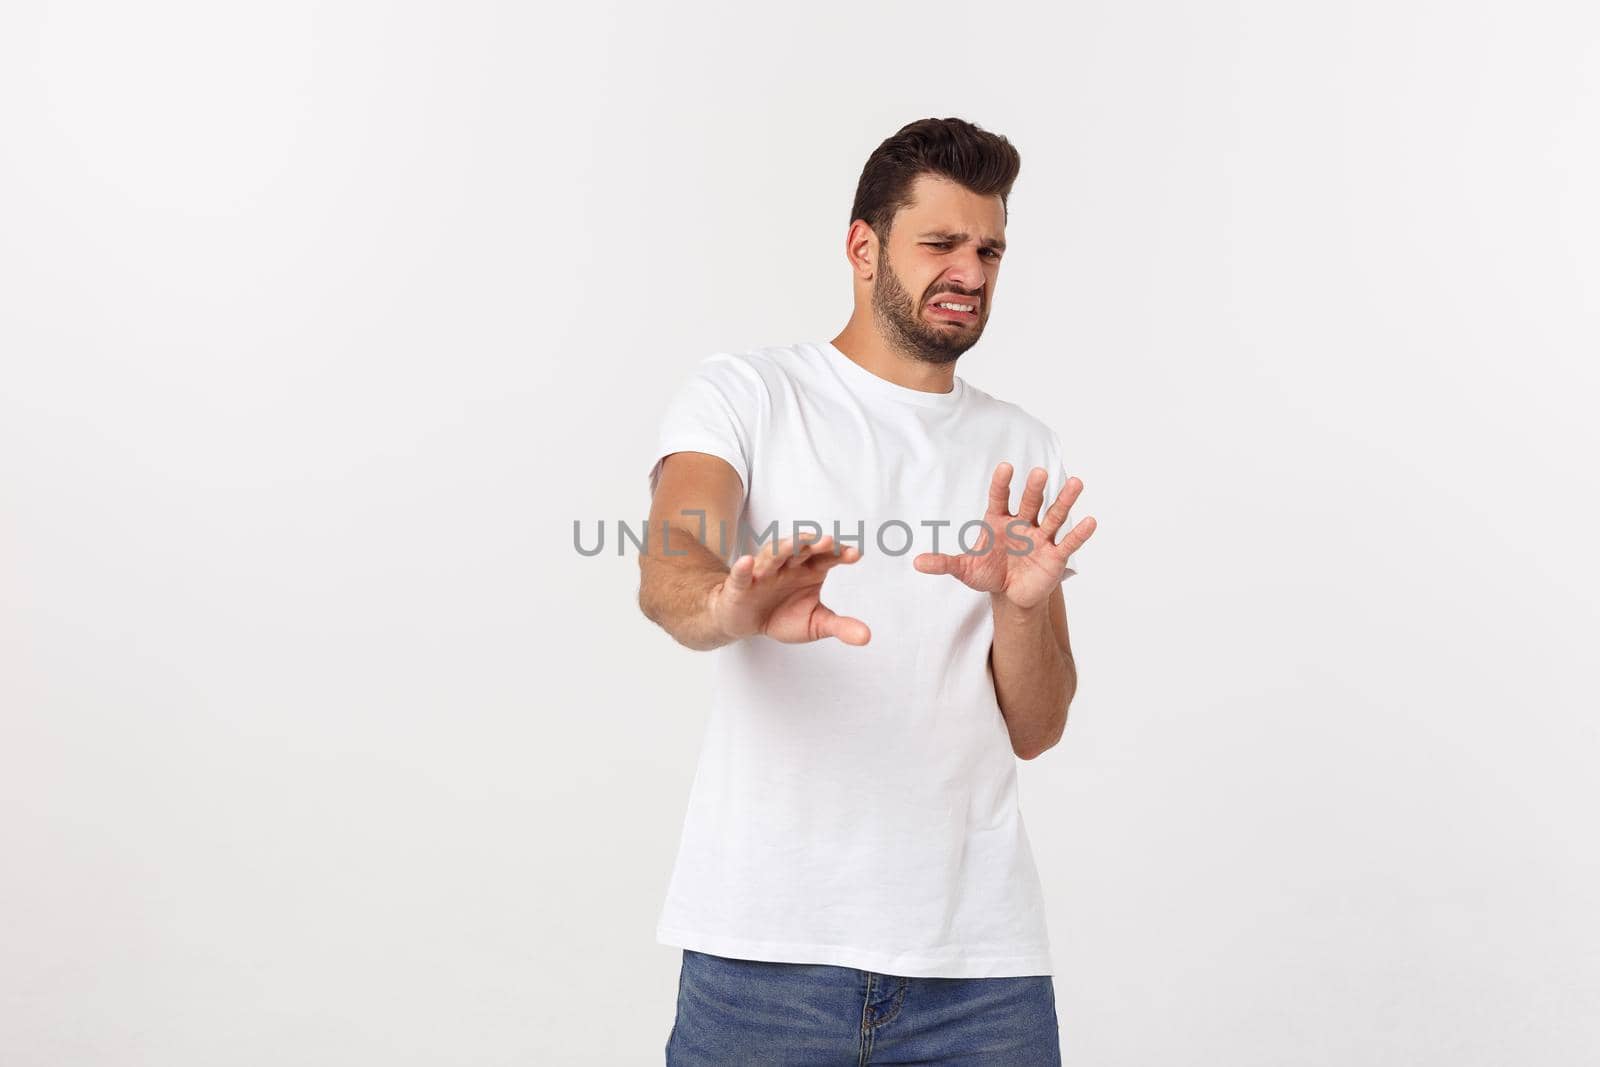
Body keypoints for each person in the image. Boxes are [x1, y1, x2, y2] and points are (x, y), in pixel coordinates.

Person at [638, 116, 1096, 1065]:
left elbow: (1038, 725)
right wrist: (730, 605)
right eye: (940, 243)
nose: (969, 271)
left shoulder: (1023, 446)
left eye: (989, 248)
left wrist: (1019, 606)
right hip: (763, 959)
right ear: (862, 247)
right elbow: (670, 570)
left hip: (980, 972)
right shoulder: (748, 395)